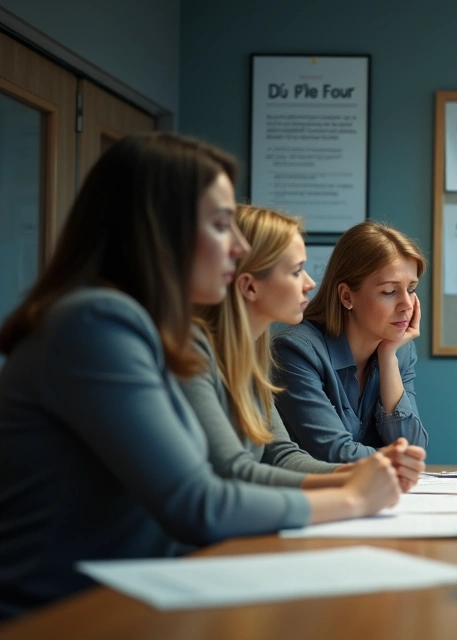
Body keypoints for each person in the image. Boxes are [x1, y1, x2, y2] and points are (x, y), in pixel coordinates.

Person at [0, 134, 400, 619]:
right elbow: (197, 501)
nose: (237, 248)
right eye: (219, 225)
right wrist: (353, 499)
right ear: (157, 232)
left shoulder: (146, 329)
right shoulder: (97, 323)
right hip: (64, 616)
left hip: (132, 598)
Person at [183, 205, 426, 489]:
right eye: (297, 270)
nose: (310, 283)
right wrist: (365, 483)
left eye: (411, 289)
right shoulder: (204, 355)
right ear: (249, 287)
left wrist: (370, 474)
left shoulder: (248, 354)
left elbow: (281, 456)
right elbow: (235, 471)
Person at [273, 220, 428, 463]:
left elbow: (413, 445)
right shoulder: (295, 351)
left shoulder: (400, 350)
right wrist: (401, 460)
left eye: (411, 289)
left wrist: (388, 357)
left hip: (373, 494)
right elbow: (334, 453)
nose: (407, 305)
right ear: (347, 296)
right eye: (389, 291)